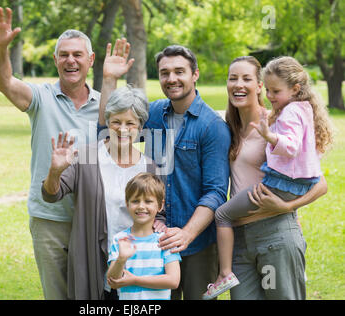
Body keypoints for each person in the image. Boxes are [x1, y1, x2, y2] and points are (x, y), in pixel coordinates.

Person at [100, 40, 231, 299]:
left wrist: (187, 234)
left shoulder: (212, 126)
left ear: (195, 75)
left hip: (197, 246)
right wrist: (109, 80)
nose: (172, 78)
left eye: (179, 71)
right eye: (164, 73)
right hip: (152, 242)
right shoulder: (155, 113)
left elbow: (216, 191)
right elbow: (110, 126)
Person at [0, 7, 100, 299]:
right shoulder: (40, 98)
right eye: (64, 54)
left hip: (95, 217)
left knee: (95, 297)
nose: (70, 60)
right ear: (55, 60)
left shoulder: (105, 104)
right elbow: (4, 82)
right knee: (58, 295)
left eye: (77, 54)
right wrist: (0, 48)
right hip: (50, 218)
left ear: (91, 60)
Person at [203, 56, 334, 299]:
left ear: (260, 85)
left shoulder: (276, 124)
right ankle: (226, 273)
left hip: (274, 232)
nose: (238, 84)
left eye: (246, 79)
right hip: (239, 239)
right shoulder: (227, 128)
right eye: (233, 78)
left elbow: (320, 183)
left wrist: (287, 205)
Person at [42, 86, 167, 300]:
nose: (123, 129)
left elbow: (158, 213)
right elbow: (51, 194)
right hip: (92, 258)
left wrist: (160, 222)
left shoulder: (150, 167)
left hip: (136, 265)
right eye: (116, 121)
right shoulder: (87, 156)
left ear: (140, 127)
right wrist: (55, 171)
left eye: (130, 123)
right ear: (107, 122)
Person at [107, 172, 181, 300]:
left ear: (160, 205)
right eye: (135, 201)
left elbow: (173, 280)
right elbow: (113, 281)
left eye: (148, 201)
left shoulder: (165, 240)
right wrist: (121, 259)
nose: (141, 206)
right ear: (127, 203)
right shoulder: (120, 239)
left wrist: (135, 280)